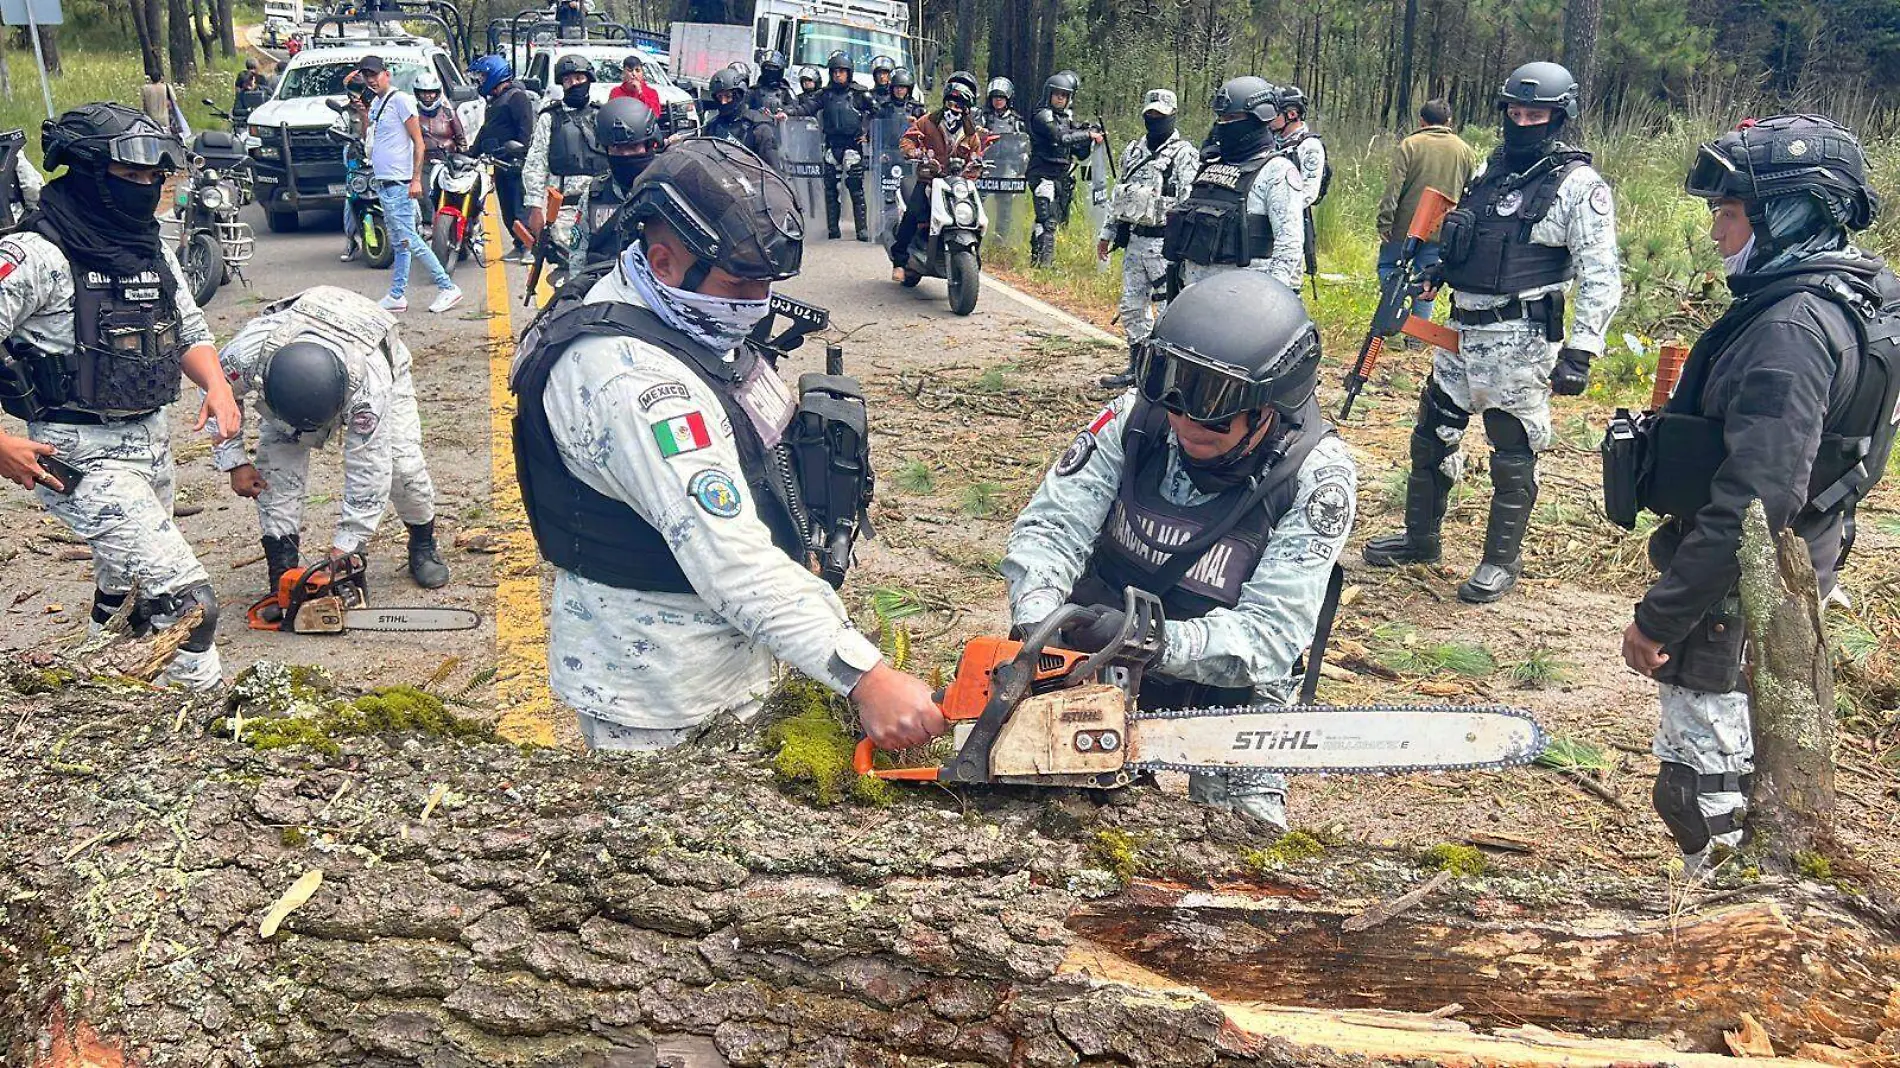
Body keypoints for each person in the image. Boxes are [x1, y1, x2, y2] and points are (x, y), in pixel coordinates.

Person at [509, 138, 946, 752]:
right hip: (664, 692)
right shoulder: (639, 387)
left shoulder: (675, 313)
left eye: (765, 284)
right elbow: (729, 557)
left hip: (725, 657)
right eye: (738, 284)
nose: (754, 304)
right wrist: (865, 677)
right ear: (662, 261)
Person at [1622, 114, 1896, 871]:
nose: (1717, 233)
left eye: (1730, 214)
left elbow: (1758, 495)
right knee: (1754, 769)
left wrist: (1662, 614)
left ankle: (1729, 925)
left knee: (1702, 790)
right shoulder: (1860, 296)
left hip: (1738, 587)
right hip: (1792, 568)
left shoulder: (1792, 332)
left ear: (1791, 215)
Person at [1002, 271, 1357, 832]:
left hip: (1230, 687)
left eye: (1213, 405)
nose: (1187, 418)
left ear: (1270, 405)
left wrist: (1148, 640)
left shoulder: (1314, 478)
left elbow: (1271, 636)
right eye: (1173, 389)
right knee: (1058, 813)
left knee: (1242, 837)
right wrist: (1043, 622)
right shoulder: (1132, 422)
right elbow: (1050, 529)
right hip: (1095, 650)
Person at [0, 103, 240, 690]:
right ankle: (205, 720)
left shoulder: (148, 250)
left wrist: (215, 385)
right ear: (85, 173)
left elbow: (188, 331)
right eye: (132, 177)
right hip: (74, 453)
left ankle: (93, 688)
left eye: (156, 179)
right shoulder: (36, 255)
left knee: (124, 592)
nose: (149, 190)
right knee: (188, 604)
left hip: (151, 443)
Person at [1361, 62, 1619, 604]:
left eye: (1537, 114)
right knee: (1431, 435)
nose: (1523, 122)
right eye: (1516, 112)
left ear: (1558, 118)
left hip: (1521, 337)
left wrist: (1582, 350)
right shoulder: (1489, 171)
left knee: (1511, 448)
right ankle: (1420, 539)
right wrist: (1439, 270)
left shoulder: (1578, 186)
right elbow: (1468, 240)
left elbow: (1600, 272)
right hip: (1460, 330)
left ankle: (1501, 561)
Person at [213, 285, 451, 594]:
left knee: (403, 468)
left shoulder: (369, 387)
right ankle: (282, 568)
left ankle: (423, 543)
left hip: (375, 348)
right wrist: (234, 461)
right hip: (299, 348)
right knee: (276, 473)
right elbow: (216, 396)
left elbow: (369, 471)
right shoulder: (246, 354)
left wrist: (348, 548)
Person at [1098, 88, 1200, 388]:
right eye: (1150, 115)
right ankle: (1137, 368)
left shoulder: (1184, 155)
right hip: (1134, 242)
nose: (1154, 121)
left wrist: (1182, 247)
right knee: (1131, 306)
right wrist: (1107, 234)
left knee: (1167, 310)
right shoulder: (1133, 151)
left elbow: (1188, 202)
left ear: (1172, 116)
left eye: (1161, 116)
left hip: (1163, 246)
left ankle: (1166, 373)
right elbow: (1118, 197)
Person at [1162, 76, 1304, 292]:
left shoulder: (1276, 172)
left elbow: (1289, 247)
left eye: (1233, 118)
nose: (1224, 125)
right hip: (1193, 297)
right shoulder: (1208, 165)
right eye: (1222, 118)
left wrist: (1271, 299)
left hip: (1243, 303)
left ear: (1258, 119)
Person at [359, 55, 463, 314]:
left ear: (387, 74)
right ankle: (396, 295)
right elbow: (370, 136)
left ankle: (447, 287)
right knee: (400, 243)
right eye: (366, 76)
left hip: (399, 182)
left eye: (375, 75)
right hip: (384, 181)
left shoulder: (402, 101)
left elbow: (418, 142)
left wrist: (416, 179)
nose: (371, 80)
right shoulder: (377, 104)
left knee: (409, 238)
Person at [1373, 98, 1475, 324]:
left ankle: (1392, 317)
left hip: (1404, 225)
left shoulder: (1410, 145)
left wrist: (1385, 221)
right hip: (1442, 227)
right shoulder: (1465, 150)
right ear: (1449, 121)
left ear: (1421, 120)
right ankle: (1417, 333)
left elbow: (1394, 187)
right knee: (1427, 276)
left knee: (1389, 267)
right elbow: (1469, 192)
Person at [888, 80, 988, 282]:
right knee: (914, 213)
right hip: (930, 179)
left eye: (959, 105)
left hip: (957, 183)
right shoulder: (928, 121)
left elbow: (976, 155)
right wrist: (913, 151)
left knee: (974, 214)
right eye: (950, 103)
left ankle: (972, 254)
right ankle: (899, 260)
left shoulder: (970, 133)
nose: (954, 109)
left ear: (966, 109)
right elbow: (908, 139)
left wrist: (977, 165)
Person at [524, 54, 607, 248]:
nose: (574, 84)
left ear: (589, 80)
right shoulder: (550, 118)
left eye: (579, 78)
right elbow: (536, 165)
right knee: (570, 268)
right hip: (564, 211)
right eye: (568, 80)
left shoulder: (602, 116)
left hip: (602, 206)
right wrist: (535, 207)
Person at [573, 96, 665, 264]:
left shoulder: (669, 193)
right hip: (603, 284)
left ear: (649, 145)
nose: (625, 155)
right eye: (617, 149)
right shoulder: (595, 194)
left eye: (632, 147)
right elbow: (578, 253)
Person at [1026, 70, 1103, 267]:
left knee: (1050, 220)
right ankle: (1045, 265)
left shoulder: (1066, 119)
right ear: (1049, 94)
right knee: (1048, 220)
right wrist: (1087, 134)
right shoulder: (1043, 116)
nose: (1060, 99)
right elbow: (1061, 138)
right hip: (1042, 175)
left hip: (1060, 176)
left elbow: (1079, 152)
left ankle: (1035, 260)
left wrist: (1088, 134)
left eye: (1065, 95)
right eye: (1057, 94)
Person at [797, 51, 872, 241]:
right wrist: (786, 113)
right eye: (835, 71)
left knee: (856, 188)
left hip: (852, 146)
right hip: (832, 145)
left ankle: (861, 230)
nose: (838, 75)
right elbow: (806, 108)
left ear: (849, 73)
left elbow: (879, 113)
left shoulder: (859, 93)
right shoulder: (825, 95)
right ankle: (833, 229)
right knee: (831, 189)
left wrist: (869, 134)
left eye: (842, 71)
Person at [470, 54, 536, 263]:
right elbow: (486, 129)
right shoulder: (494, 100)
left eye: (482, 76)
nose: (479, 81)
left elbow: (526, 130)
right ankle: (518, 244)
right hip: (499, 162)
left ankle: (530, 247)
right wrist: (471, 152)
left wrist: (520, 154)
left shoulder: (517, 97)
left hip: (515, 162)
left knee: (519, 207)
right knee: (507, 208)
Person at [1270, 85, 1326, 282]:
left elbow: (1310, 191)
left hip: (1292, 220)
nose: (1268, 118)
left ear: (1291, 114)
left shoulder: (1309, 147)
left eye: (1273, 112)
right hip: (1267, 224)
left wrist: (1278, 206)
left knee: (1288, 283)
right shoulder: (1271, 142)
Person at [700, 66, 782, 169]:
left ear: (739, 95)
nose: (723, 102)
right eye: (719, 97)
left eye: (728, 96)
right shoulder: (713, 126)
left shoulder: (759, 129)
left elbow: (774, 172)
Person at [414, 71, 467, 159]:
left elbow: (461, 141)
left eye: (431, 92)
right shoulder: (412, 114)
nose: (427, 96)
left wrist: (460, 159)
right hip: (421, 162)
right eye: (423, 93)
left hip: (447, 162)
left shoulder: (448, 113)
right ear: (417, 93)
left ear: (437, 93)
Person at [749, 49, 796, 115]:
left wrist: (783, 111)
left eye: (774, 69)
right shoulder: (753, 91)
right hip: (758, 124)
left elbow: (794, 109)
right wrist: (758, 112)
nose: (770, 72)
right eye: (768, 68)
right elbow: (744, 110)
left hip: (780, 123)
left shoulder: (786, 91)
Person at [140, 73, 185, 138]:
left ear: (150, 78)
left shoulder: (145, 89)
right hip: (165, 120)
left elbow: (143, 105)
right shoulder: (167, 87)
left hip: (150, 120)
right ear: (161, 78)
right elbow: (174, 101)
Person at [234, 58, 268, 125]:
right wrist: (248, 110)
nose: (248, 85)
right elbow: (236, 110)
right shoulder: (241, 95)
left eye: (250, 82)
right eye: (245, 83)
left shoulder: (263, 92)